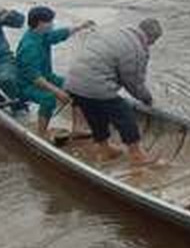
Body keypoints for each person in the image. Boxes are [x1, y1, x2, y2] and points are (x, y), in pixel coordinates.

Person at [65, 18, 163, 165]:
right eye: (153, 42)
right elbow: (134, 83)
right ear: (151, 38)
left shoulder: (118, 32)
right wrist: (147, 99)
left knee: (95, 113)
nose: (152, 45)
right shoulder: (136, 48)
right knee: (124, 115)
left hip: (73, 82)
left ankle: (104, 149)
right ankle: (137, 155)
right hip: (94, 85)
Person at [15, 6, 94, 137]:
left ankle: (78, 128)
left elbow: (59, 34)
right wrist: (57, 92)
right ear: (40, 23)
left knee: (77, 87)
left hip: (47, 77)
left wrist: (80, 27)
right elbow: (35, 78)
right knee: (49, 99)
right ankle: (40, 134)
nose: (52, 24)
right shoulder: (29, 46)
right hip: (27, 84)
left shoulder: (41, 34)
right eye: (50, 22)